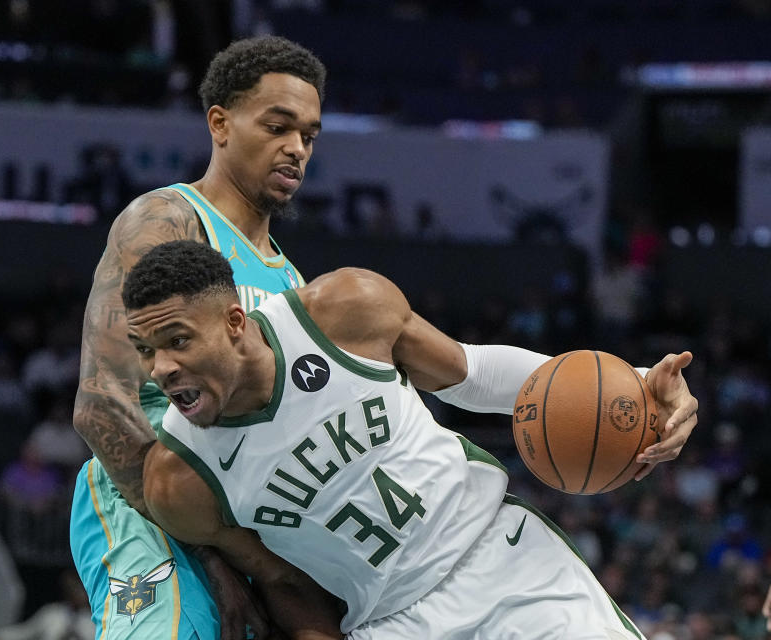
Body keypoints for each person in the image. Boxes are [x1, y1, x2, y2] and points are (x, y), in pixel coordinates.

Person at [129, 240, 700, 639]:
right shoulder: (179, 482)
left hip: (500, 558)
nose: (161, 369)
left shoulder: (341, 312)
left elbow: (472, 376)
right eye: (146, 351)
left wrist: (641, 387)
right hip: (387, 623)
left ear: (234, 322)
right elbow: (284, 581)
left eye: (177, 341)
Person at [69, 35, 325, 640]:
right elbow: (103, 404)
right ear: (220, 123)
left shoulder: (293, 282)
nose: (295, 149)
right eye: (278, 126)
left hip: (243, 527)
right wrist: (213, 553)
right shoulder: (166, 221)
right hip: (146, 501)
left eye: (309, 136)